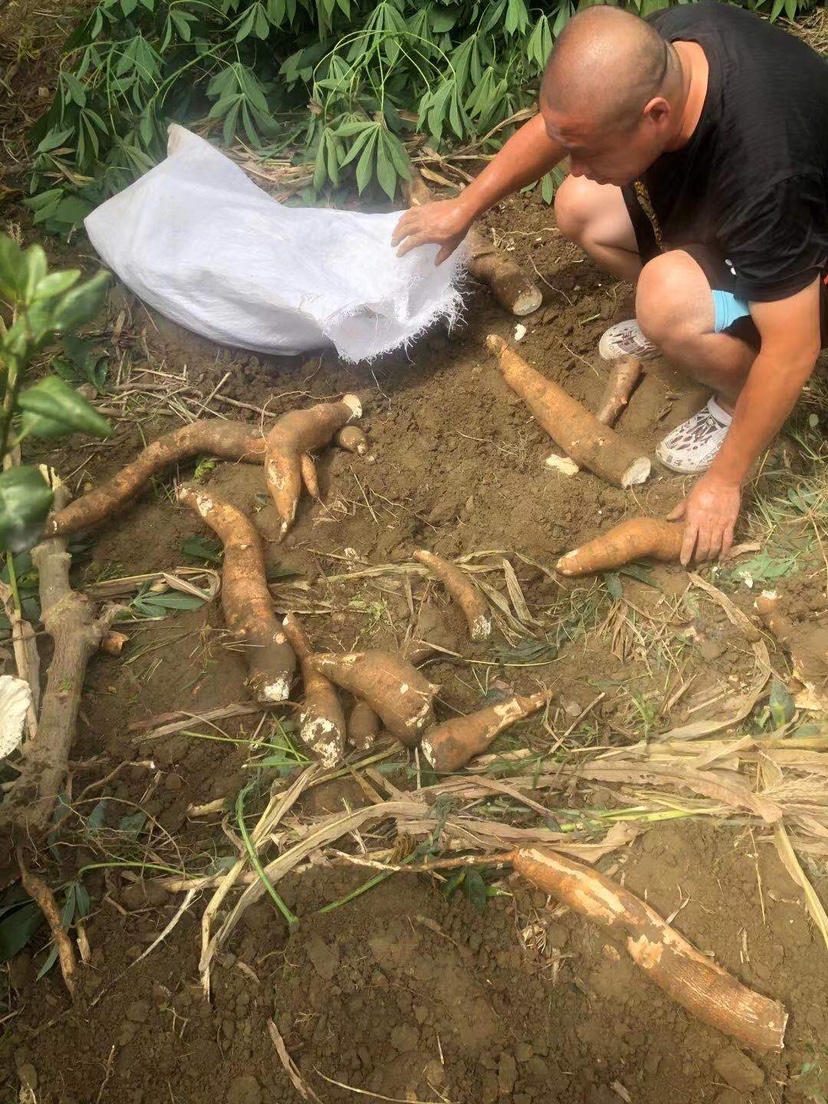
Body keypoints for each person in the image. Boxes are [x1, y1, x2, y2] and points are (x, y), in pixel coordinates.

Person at [392, 2, 828, 565]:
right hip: (740, 220)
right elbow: (560, 128)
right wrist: (465, 206)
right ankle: (694, 317)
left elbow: (794, 348)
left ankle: (735, 392)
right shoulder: (664, 46)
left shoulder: (768, 169)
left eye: (589, 151)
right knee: (580, 205)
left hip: (807, 266)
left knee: (664, 299)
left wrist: (724, 483)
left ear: (655, 116)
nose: (572, 163)